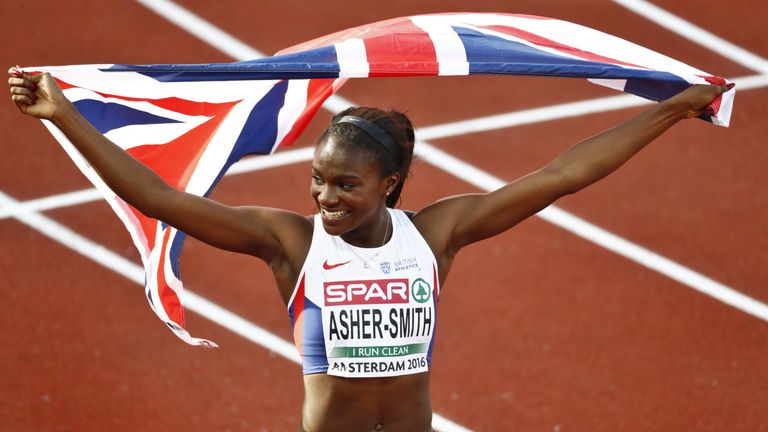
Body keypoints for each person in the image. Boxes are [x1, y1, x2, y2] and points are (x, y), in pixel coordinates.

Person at [8, 67, 732, 432]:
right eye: (318, 179)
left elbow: (560, 176)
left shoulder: (435, 234)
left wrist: (670, 109)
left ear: (390, 183)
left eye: (345, 185)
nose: (325, 196)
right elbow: (161, 199)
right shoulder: (289, 242)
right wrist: (64, 116)